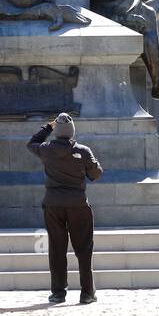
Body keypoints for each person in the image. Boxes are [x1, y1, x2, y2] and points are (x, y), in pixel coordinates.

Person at [27, 113, 103, 304]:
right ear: (72, 132)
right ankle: (87, 293)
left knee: (57, 248)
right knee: (84, 248)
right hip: (78, 203)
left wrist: (48, 127)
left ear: (57, 132)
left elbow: (31, 143)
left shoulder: (46, 149)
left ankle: (58, 293)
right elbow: (96, 173)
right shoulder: (83, 151)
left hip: (53, 203)